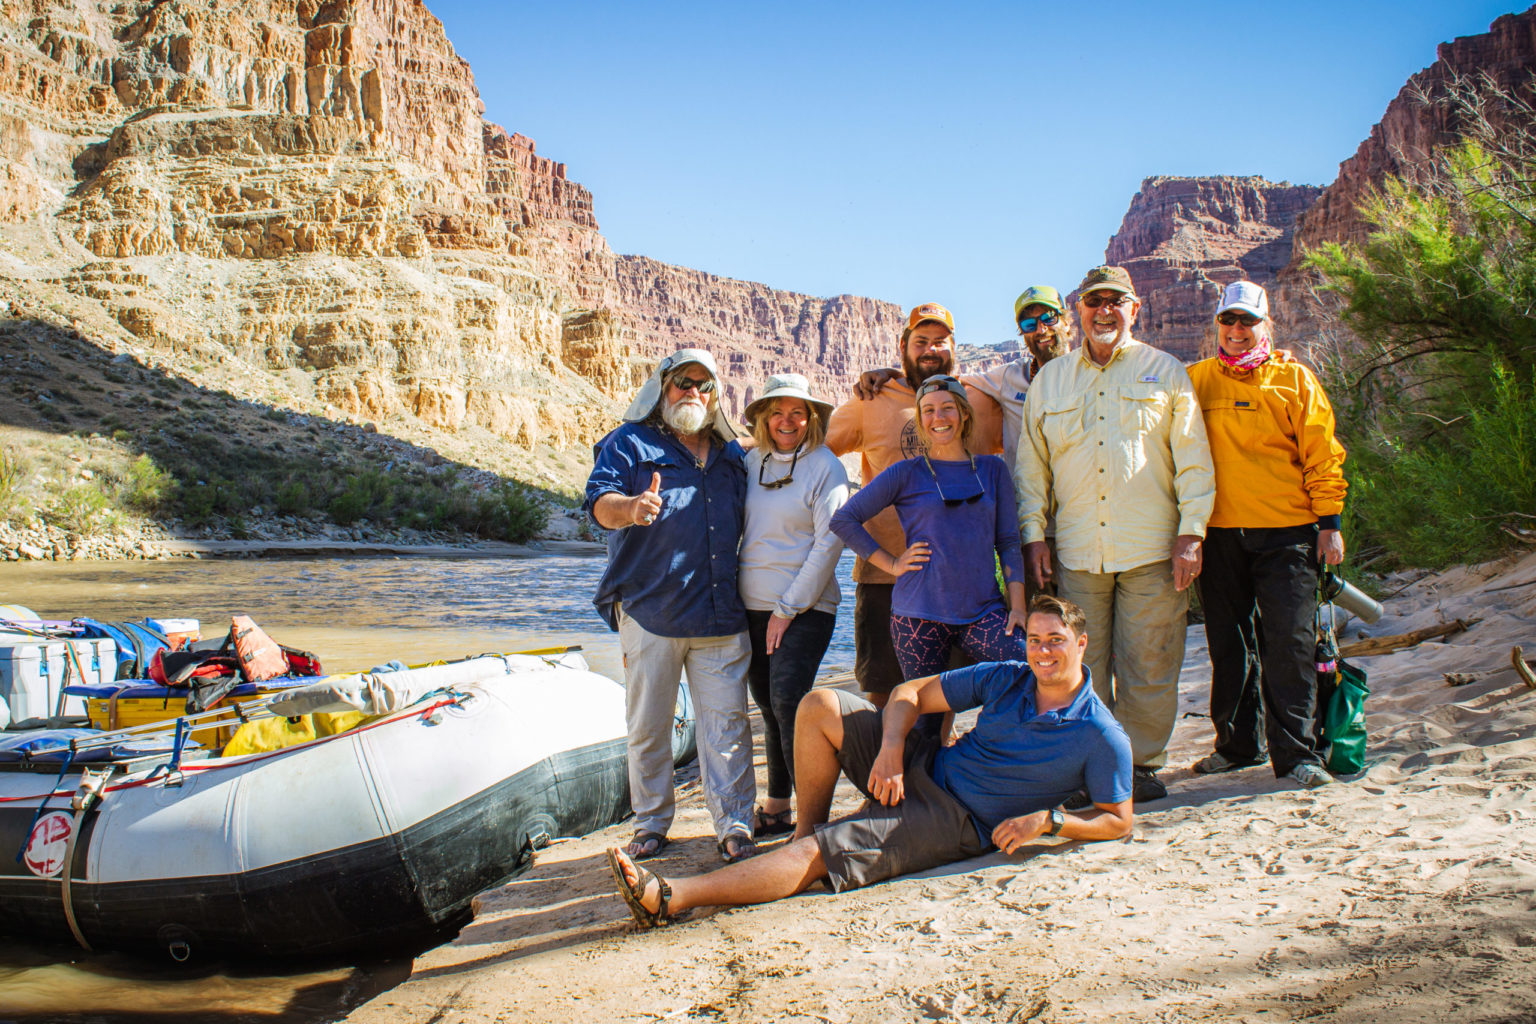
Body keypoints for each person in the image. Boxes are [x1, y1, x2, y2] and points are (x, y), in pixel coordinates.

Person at [604, 594, 1133, 927]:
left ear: (1081, 645)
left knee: (824, 854)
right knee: (818, 705)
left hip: (955, 819)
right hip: (924, 766)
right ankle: (803, 829)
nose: (1041, 652)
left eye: (1056, 642)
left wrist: (1051, 820)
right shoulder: (1009, 675)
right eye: (1035, 639)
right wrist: (892, 750)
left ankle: (671, 897)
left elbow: (1118, 818)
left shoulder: (1100, 735)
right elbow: (908, 694)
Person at [1015, 266, 1216, 803]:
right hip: (1078, 554)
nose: (1104, 311)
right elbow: (1032, 471)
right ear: (1078, 310)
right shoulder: (1050, 382)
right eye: (1093, 302)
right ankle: (1090, 765)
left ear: (1135, 309)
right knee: (1083, 666)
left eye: (1115, 301)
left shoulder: (1166, 372)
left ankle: (1143, 765)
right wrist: (1034, 535)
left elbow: (1195, 460)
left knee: (1150, 660)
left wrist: (1191, 533)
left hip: (1153, 549)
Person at [584, 349, 758, 864]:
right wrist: (632, 509)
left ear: (716, 397)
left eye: (704, 386)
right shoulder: (628, 443)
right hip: (650, 611)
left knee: (727, 724)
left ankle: (734, 825)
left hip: (720, 613)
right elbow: (599, 504)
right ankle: (652, 824)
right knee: (649, 724)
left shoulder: (732, 456)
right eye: (684, 383)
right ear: (663, 387)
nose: (693, 394)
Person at [1187, 281, 1348, 789]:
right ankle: (1236, 748)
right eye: (1228, 321)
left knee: (1290, 643)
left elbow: (1323, 454)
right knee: (1229, 645)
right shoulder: (1194, 381)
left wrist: (1330, 524)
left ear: (1265, 325)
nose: (1237, 331)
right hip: (1217, 535)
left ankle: (1297, 754)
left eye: (1247, 321)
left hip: (1288, 532)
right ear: (1217, 324)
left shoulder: (1294, 380)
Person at [826, 303, 1004, 709]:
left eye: (939, 342)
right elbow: (813, 452)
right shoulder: (871, 399)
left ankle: (930, 767)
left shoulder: (978, 400)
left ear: (954, 347)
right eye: (920, 341)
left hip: (958, 583)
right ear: (902, 346)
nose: (930, 350)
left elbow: (1016, 459)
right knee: (882, 688)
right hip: (885, 578)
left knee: (945, 695)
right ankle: (884, 767)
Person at [854, 286, 1074, 599]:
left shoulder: (1092, 377)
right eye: (1029, 324)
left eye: (1049, 318)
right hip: (1032, 530)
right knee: (1035, 634)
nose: (1040, 329)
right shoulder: (1008, 379)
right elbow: (945, 382)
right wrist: (894, 374)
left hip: (1084, 529)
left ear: (1066, 320)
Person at [739, 373, 851, 836]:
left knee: (790, 699)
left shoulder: (827, 466)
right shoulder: (751, 463)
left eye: (797, 412)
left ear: (811, 419)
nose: (787, 421)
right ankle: (778, 805)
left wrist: (788, 607)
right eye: (777, 412)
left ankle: (811, 821)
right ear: (764, 418)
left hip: (805, 609)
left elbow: (830, 542)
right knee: (766, 704)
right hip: (749, 606)